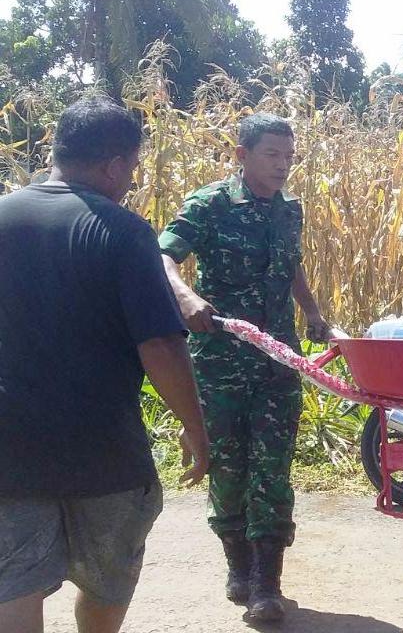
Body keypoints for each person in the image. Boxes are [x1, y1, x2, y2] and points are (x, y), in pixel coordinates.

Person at [0, 97, 209, 633]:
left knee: (15, 585)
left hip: (10, 452)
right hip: (106, 455)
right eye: (132, 167)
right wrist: (194, 426)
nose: (132, 179)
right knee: (106, 583)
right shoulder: (123, 231)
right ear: (114, 164)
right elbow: (160, 346)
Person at [158, 112, 331, 622]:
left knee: (273, 469)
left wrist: (314, 311)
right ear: (242, 156)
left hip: (277, 361)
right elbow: (161, 256)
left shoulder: (289, 211)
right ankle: (237, 563)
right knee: (229, 467)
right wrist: (187, 297)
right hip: (220, 364)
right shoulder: (209, 205)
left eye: (290, 156)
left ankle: (266, 583)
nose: (283, 166)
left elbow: (292, 263)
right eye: (272, 155)